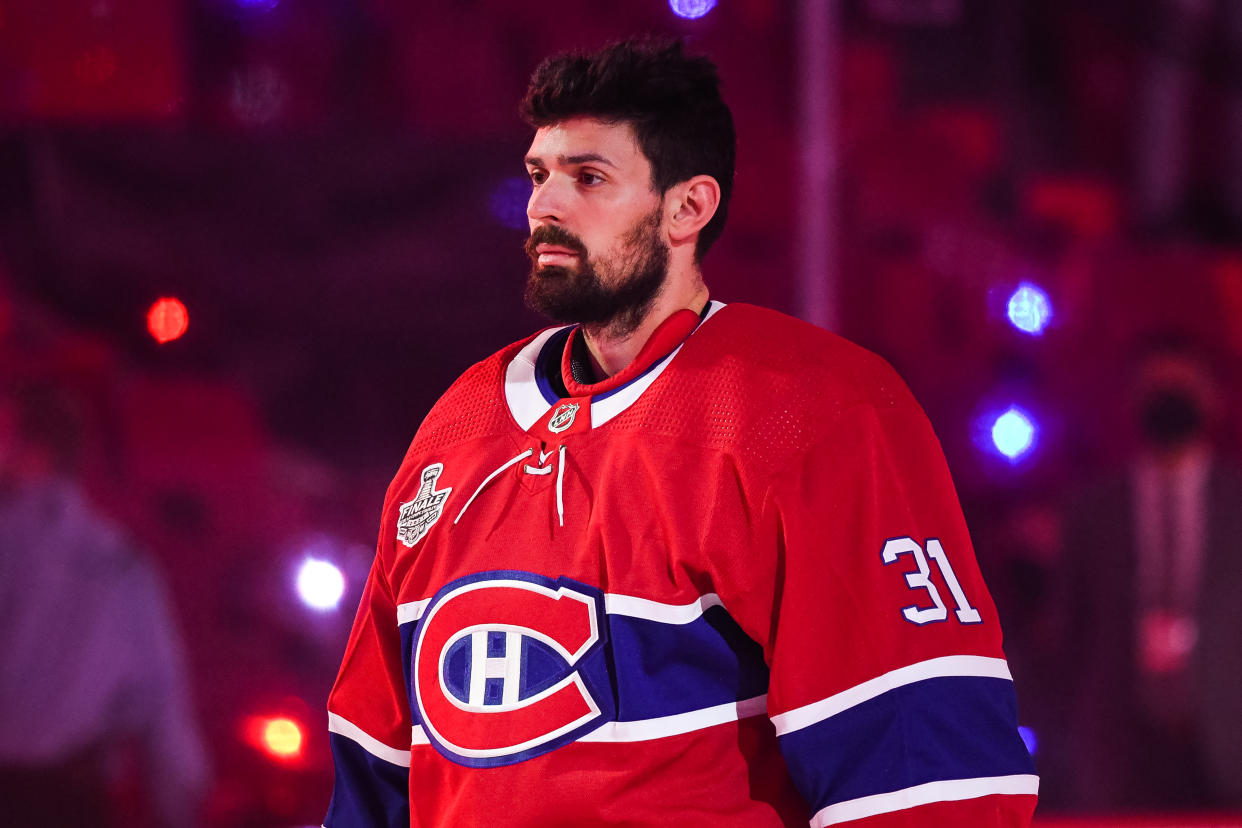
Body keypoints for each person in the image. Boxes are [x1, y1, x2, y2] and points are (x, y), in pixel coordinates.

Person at [323, 37, 1037, 827]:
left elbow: (927, 787)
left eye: (588, 178)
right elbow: (372, 774)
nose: (543, 208)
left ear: (688, 207)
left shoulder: (815, 412)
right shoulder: (459, 425)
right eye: (538, 175)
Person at [0, 382, 210, 827]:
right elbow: (163, 711)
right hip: (67, 800)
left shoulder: (113, 567)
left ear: (39, 452)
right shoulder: (120, 565)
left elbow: (161, 706)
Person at [1060, 333, 1242, 810]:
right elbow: (1068, 632)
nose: (1170, 400)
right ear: (1133, 399)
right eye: (1157, 388)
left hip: (1224, 735)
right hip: (1121, 739)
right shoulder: (1093, 509)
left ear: (1213, 398)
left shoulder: (1236, 500)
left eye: (1183, 387)